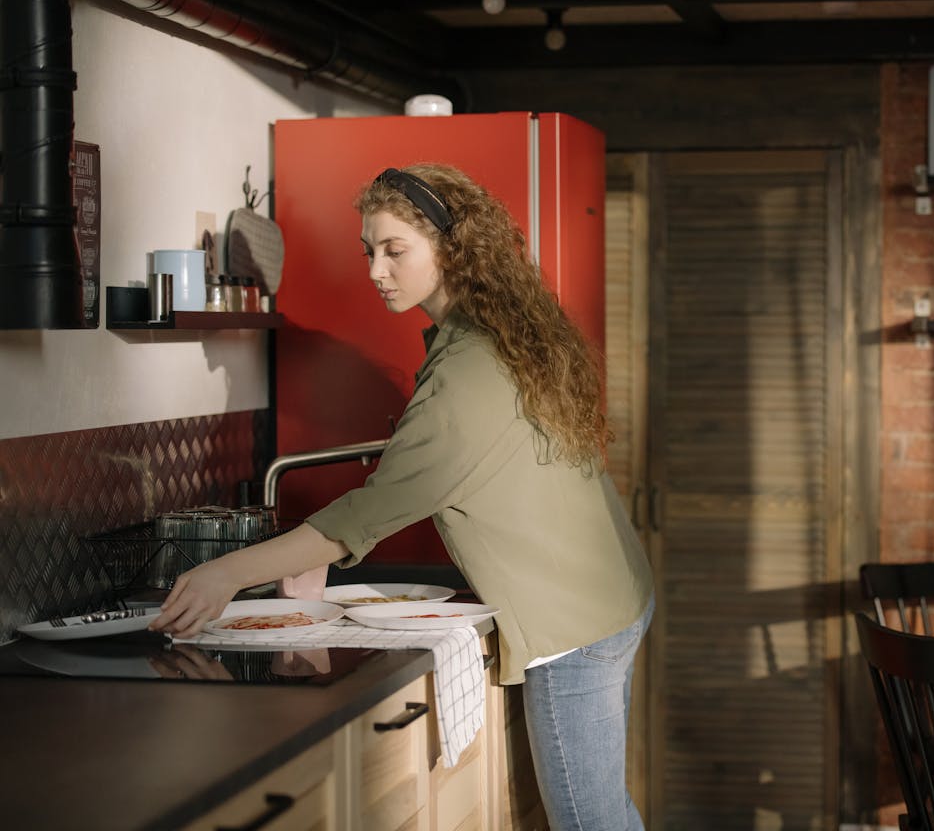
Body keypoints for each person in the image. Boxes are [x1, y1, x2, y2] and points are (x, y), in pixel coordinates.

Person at [149, 162, 655, 831]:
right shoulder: (490, 333)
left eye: (395, 250)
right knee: (607, 815)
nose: (375, 270)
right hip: (609, 598)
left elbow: (371, 510)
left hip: (571, 627)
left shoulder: (469, 368)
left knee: (590, 824)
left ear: (451, 248)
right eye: (370, 251)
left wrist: (224, 573)